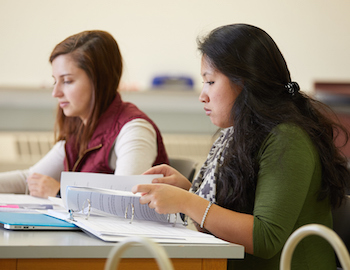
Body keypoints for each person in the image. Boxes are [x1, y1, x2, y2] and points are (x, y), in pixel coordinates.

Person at [132, 24, 350, 270]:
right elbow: (235, 207)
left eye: (211, 82)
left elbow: (265, 237)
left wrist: (186, 202)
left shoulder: (287, 139)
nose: (202, 95)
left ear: (245, 83)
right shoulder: (238, 134)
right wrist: (187, 190)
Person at [0, 30, 168, 198]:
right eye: (54, 81)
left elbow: (124, 201)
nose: (55, 92)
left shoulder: (134, 130)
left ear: (99, 80)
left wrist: (60, 192)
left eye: (67, 81)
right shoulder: (81, 127)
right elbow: (30, 180)